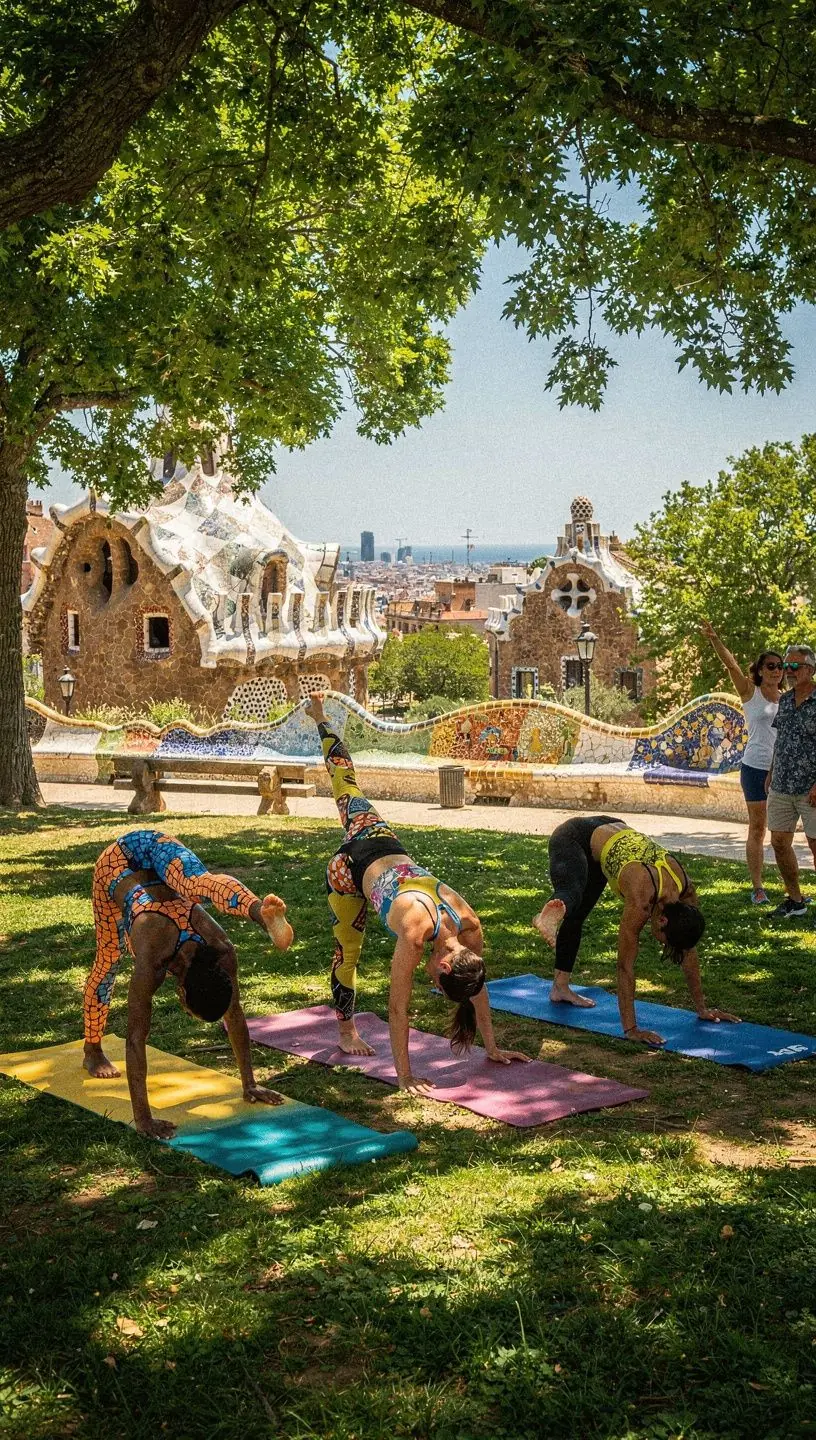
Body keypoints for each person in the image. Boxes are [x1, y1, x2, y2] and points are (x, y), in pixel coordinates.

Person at [303, 693, 528, 1095]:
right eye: (438, 988)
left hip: (381, 841)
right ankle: (346, 1031)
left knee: (346, 782)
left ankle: (321, 718)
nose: (433, 986)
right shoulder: (414, 931)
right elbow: (397, 1007)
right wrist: (404, 1075)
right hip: (349, 866)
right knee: (348, 951)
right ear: (442, 968)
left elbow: (477, 989)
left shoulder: (469, 927)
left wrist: (492, 1048)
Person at [83, 829, 294, 1136]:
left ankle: (259, 913)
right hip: (117, 861)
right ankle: (92, 1051)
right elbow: (134, 1039)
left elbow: (233, 1014)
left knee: (195, 883)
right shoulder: (152, 960)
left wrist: (250, 1083)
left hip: (157, 864)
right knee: (107, 960)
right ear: (180, 992)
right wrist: (143, 1119)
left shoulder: (221, 949)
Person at [533, 816, 740, 1046]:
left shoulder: (686, 892)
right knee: (573, 892)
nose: (662, 945)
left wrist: (702, 1008)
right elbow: (625, 966)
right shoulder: (641, 899)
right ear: (661, 920)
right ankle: (552, 911)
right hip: (574, 837)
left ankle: (560, 988)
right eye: (664, 942)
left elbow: (688, 949)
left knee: (578, 915)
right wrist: (631, 1029)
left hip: (608, 837)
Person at [700, 621, 783, 904]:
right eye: (770, 666)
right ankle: (758, 887)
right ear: (760, 670)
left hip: (781, 771)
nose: (776, 670)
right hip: (754, 768)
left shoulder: (788, 700)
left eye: (779, 666)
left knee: (782, 832)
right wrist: (715, 639)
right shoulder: (751, 693)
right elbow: (731, 665)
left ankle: (790, 888)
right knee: (758, 828)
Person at [766, 644, 816, 917]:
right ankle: (795, 900)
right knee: (779, 843)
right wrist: (772, 772)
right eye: (786, 666)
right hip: (782, 786)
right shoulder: (784, 700)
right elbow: (781, 740)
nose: (788, 671)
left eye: (794, 666)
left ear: (810, 669)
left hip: (811, 789)